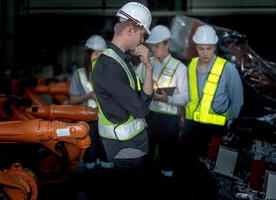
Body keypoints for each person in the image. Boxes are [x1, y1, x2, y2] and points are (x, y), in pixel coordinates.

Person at [91, 2, 153, 199]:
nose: (141, 40)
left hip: (132, 145)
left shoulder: (122, 60)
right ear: (130, 30)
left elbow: (143, 95)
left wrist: (148, 67)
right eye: (141, 35)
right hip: (124, 148)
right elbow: (142, 108)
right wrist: (144, 98)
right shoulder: (109, 66)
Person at [178, 24, 244, 199]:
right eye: (201, 49)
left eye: (209, 49)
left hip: (216, 129)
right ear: (196, 47)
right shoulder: (190, 66)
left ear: (214, 47)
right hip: (192, 127)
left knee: (214, 174)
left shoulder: (227, 69)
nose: (205, 53)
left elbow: (237, 100)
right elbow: (187, 95)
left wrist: (231, 124)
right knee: (186, 168)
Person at [136, 25, 188, 177]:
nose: (153, 49)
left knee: (168, 160)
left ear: (168, 44)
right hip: (148, 118)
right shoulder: (145, 63)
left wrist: (168, 98)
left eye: (157, 46)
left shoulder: (180, 68)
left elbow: (186, 97)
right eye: (151, 46)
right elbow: (134, 85)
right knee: (145, 158)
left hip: (169, 121)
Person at [69, 34, 113, 175]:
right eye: (95, 53)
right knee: (90, 154)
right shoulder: (79, 74)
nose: (98, 56)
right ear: (88, 54)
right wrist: (88, 95)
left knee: (107, 155)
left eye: (101, 53)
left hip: (107, 120)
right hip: (88, 122)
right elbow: (72, 100)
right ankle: (91, 186)